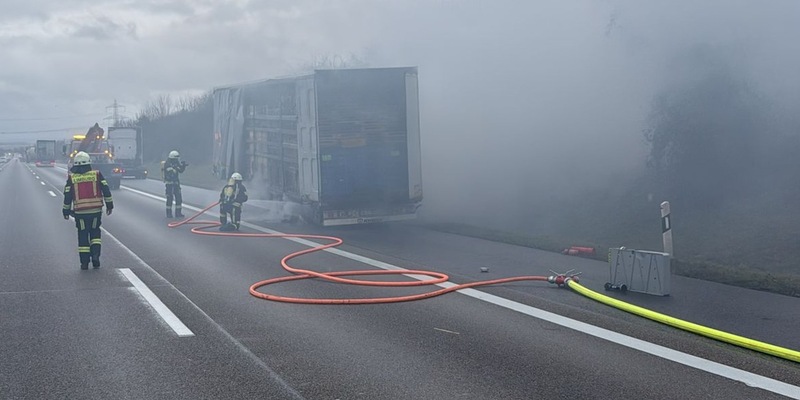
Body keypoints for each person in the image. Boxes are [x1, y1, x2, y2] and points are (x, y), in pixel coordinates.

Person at [62, 151, 113, 270]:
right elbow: (106, 190)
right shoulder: (96, 174)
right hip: (95, 211)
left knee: (83, 235)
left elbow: (68, 196)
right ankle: (95, 257)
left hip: (80, 213)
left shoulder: (72, 178)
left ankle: (84, 263)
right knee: (95, 233)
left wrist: (65, 211)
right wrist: (109, 205)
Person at [161, 150, 187, 218]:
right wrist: (175, 169)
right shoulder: (168, 163)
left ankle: (178, 213)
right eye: (176, 158)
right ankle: (169, 213)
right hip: (169, 184)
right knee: (170, 199)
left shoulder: (176, 162)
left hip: (176, 184)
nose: (177, 160)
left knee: (179, 198)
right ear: (173, 158)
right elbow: (171, 172)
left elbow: (180, 170)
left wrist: (183, 166)